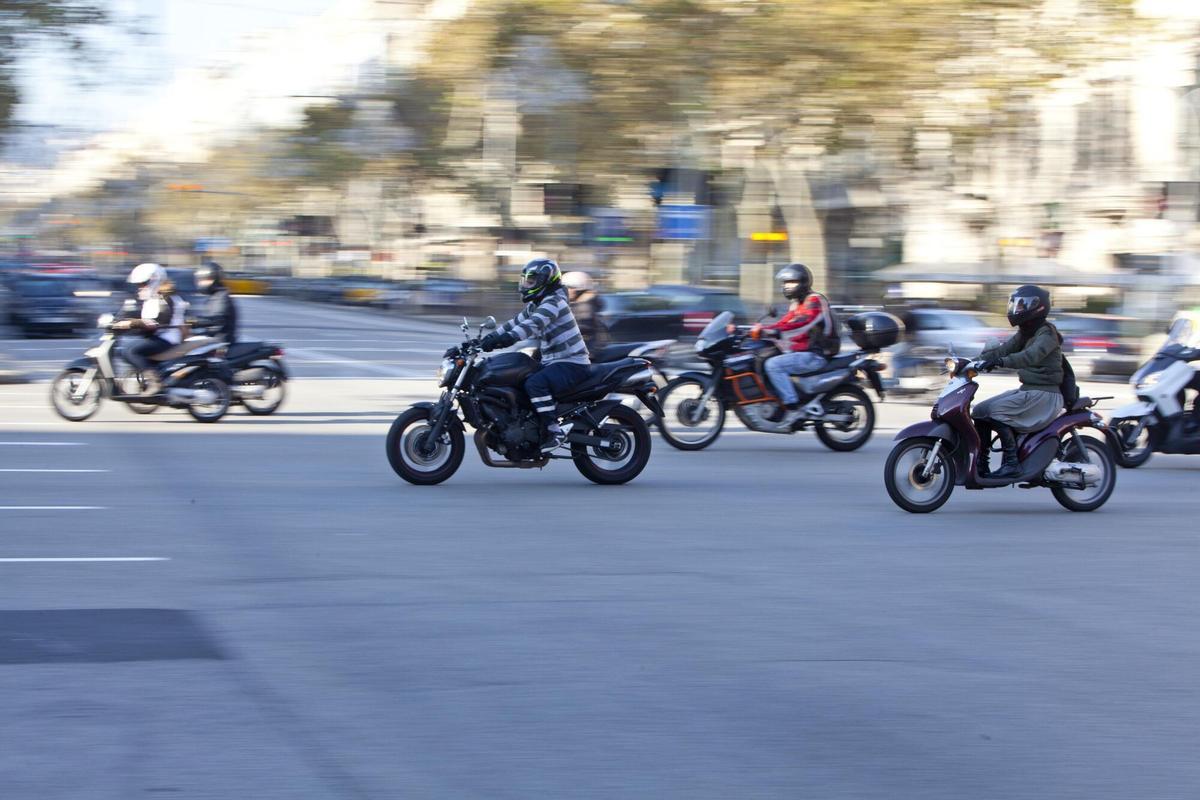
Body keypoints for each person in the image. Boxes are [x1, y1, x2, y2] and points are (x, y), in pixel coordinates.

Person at [479, 258, 590, 452]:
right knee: (519, 380)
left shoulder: (554, 302)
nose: (526, 285)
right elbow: (514, 323)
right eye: (525, 280)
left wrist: (507, 339)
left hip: (572, 363)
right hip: (553, 362)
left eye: (531, 281)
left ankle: (555, 431)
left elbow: (531, 326)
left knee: (535, 384)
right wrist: (484, 340)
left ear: (544, 281)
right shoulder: (536, 304)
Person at [973, 285, 1064, 479]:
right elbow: (1004, 349)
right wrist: (976, 361)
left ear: (1038, 307)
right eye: (1017, 305)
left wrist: (1000, 362)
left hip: (1044, 394)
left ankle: (1011, 464)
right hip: (1028, 391)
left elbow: (1028, 357)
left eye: (1023, 305)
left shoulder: (1047, 334)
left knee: (997, 412)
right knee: (980, 410)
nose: (1018, 309)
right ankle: (981, 463)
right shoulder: (1026, 332)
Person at [755, 263, 837, 422]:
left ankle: (791, 407)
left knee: (773, 365)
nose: (787, 286)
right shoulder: (797, 303)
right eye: (785, 283)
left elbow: (803, 323)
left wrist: (773, 331)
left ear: (803, 282)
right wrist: (758, 329)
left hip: (816, 354)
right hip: (802, 352)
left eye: (791, 282)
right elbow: (784, 323)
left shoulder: (815, 301)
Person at [118, 263, 188, 395]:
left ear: (154, 280)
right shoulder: (153, 298)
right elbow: (138, 316)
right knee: (124, 350)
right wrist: (118, 321)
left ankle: (155, 382)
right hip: (157, 336)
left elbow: (159, 321)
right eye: (138, 285)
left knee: (130, 351)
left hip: (167, 338)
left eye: (143, 284)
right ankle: (156, 378)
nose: (140, 288)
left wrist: (131, 323)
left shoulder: (165, 298)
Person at [561, 270, 607, 355]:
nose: (567, 290)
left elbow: (582, 325)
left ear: (581, 289)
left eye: (571, 287)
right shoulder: (573, 303)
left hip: (588, 350)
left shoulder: (586, 304)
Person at [194, 260, 238, 342]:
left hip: (221, 342)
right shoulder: (214, 296)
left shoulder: (222, 297)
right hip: (214, 339)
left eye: (207, 279)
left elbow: (217, 320)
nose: (202, 283)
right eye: (201, 280)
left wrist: (193, 322)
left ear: (216, 279)